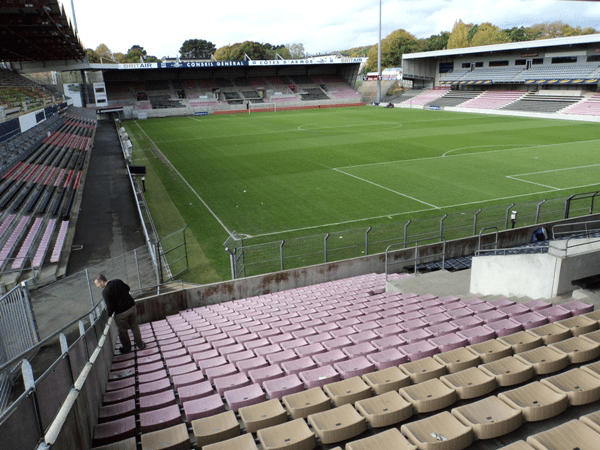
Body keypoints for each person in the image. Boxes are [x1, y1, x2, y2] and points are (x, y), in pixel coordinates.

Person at [94, 274, 146, 353]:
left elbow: (110, 307)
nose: (97, 286)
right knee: (134, 326)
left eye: (97, 284)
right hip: (131, 307)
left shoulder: (105, 291)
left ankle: (127, 349)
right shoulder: (117, 281)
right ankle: (141, 345)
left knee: (123, 331)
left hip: (121, 313)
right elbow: (128, 288)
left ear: (101, 282)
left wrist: (109, 316)